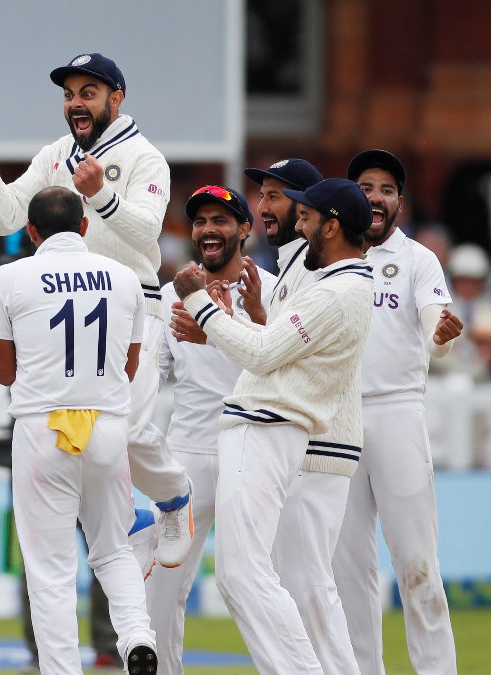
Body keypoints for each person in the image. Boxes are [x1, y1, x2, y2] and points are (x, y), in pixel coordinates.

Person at [0, 52, 194, 568]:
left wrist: (100, 194)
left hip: (132, 302)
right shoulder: (55, 155)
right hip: (64, 309)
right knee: (88, 443)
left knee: (127, 432)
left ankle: (175, 499)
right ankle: (131, 522)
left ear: (117, 98)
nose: (76, 104)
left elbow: (149, 232)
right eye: (70, 95)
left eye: (88, 93)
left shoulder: (145, 158)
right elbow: (6, 219)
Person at [171, 178, 374, 673]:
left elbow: (262, 357)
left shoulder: (336, 290)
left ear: (330, 225)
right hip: (276, 427)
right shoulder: (335, 284)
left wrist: (199, 304)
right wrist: (231, 321)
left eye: (306, 218)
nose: (298, 227)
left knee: (245, 575)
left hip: (266, 424)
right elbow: (274, 350)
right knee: (285, 581)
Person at [0, 186, 157, 673]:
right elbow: (129, 363)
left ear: (31, 231)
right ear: (85, 227)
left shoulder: (10, 277)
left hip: (43, 429)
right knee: (113, 548)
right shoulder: (124, 278)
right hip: (105, 426)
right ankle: (137, 636)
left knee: (49, 570)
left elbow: (4, 371)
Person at [333, 149, 462, 674]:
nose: (376, 197)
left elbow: (437, 323)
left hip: (396, 412)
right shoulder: (327, 255)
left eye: (386, 189)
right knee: (348, 569)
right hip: (337, 420)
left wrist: (442, 336)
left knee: (416, 564)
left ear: (401, 202)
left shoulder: (417, 260)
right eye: (365, 186)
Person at [237, 159, 362, 673]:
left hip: (320, 439)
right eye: (261, 195)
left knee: (310, 586)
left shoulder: (319, 268)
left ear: (310, 206)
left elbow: (286, 354)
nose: (263, 207)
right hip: (303, 437)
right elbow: (282, 346)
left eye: (275, 196)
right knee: (300, 584)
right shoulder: (294, 264)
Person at [150, 184, 275, 674]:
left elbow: (280, 365)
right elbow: (151, 375)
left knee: (258, 580)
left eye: (221, 220)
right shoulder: (169, 296)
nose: (208, 230)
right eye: (200, 221)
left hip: (255, 449)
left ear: (245, 228)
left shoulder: (273, 289)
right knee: (161, 580)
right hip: (188, 454)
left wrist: (228, 326)